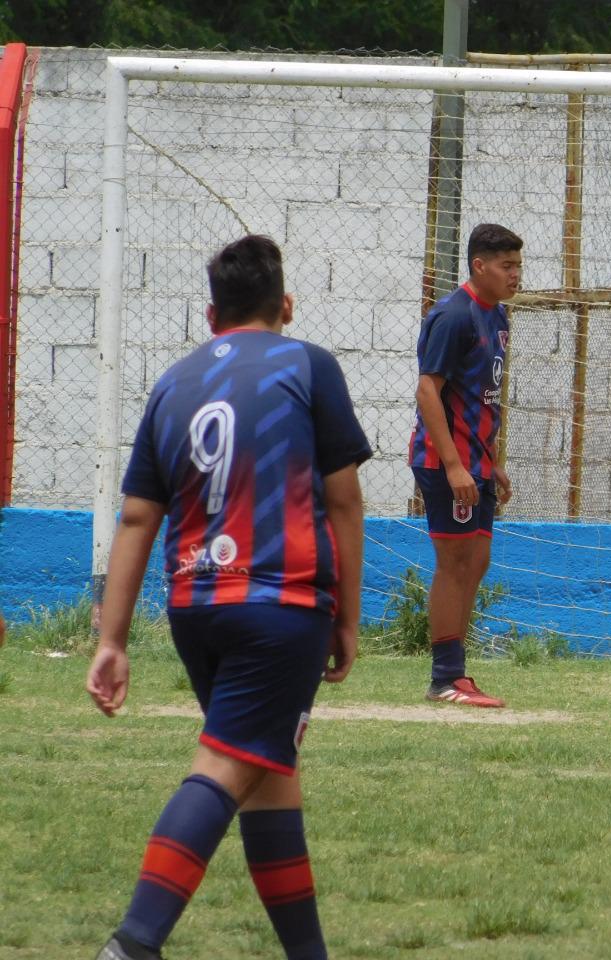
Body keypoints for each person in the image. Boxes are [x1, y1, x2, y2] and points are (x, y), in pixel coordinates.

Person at [88, 235, 371, 960]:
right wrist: (346, 615)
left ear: (211, 315)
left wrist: (112, 640)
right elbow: (344, 502)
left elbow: (137, 518)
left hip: (195, 607)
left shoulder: (173, 382)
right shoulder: (309, 365)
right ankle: (133, 943)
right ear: (287, 306)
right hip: (279, 604)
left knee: (269, 772)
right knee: (224, 766)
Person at [409, 223, 521, 708]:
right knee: (454, 564)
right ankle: (445, 677)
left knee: (476, 562)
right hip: (445, 462)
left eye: (518, 265)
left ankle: (456, 671)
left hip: (476, 462)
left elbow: (480, 395)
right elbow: (428, 390)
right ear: (479, 265)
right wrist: (455, 466)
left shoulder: (497, 317)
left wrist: (489, 460)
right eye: (507, 266)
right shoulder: (453, 316)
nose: (516, 275)